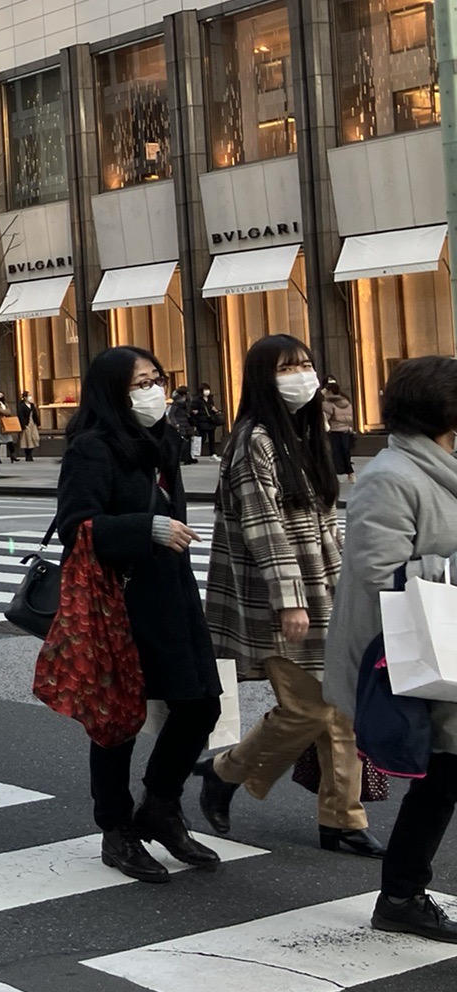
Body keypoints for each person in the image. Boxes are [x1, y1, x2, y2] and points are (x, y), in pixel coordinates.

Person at [196, 335, 377, 858]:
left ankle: (342, 818)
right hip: (278, 597)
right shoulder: (254, 439)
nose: (301, 374)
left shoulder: (303, 433)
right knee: (308, 709)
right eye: (287, 367)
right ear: (261, 379)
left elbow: (325, 522)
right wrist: (289, 599)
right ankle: (224, 772)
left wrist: (349, 585)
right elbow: (263, 526)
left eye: (305, 363)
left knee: (340, 709)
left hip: (324, 588)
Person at [55, 345, 223, 885]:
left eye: (156, 377)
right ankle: (116, 829)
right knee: (116, 719)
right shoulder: (91, 448)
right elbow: (75, 525)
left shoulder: (162, 442)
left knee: (201, 704)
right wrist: (143, 530)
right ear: (111, 392)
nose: (153, 390)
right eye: (139, 383)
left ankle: (161, 804)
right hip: (119, 598)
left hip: (171, 592)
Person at [325, 356, 457, 942]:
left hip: (445, 646)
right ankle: (401, 893)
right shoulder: (392, 475)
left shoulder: (442, 464)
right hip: (422, 654)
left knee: (446, 778)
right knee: (444, 777)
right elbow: (380, 573)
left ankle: (402, 891)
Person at [322, 378, 356, 484]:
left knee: (333, 454)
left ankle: (333, 476)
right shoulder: (346, 401)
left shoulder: (329, 403)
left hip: (334, 431)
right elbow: (350, 417)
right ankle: (351, 474)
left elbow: (325, 418)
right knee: (346, 453)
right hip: (345, 430)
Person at [15, 390, 41, 461]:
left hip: (33, 423)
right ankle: (28, 455)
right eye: (29, 396)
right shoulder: (22, 406)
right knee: (27, 439)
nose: (31, 397)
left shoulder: (32, 405)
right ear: (25, 397)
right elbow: (21, 416)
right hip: (26, 424)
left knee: (35, 437)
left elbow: (35, 415)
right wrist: (23, 425)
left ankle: (30, 453)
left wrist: (38, 423)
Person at [0, 391, 18, 463]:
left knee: (9, 439)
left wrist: (6, 411)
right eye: (0, 396)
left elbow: (9, 411)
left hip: (6, 422)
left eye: (2, 395)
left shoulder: (5, 404)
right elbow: (2, 411)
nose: (1, 397)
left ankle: (12, 455)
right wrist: (6, 411)